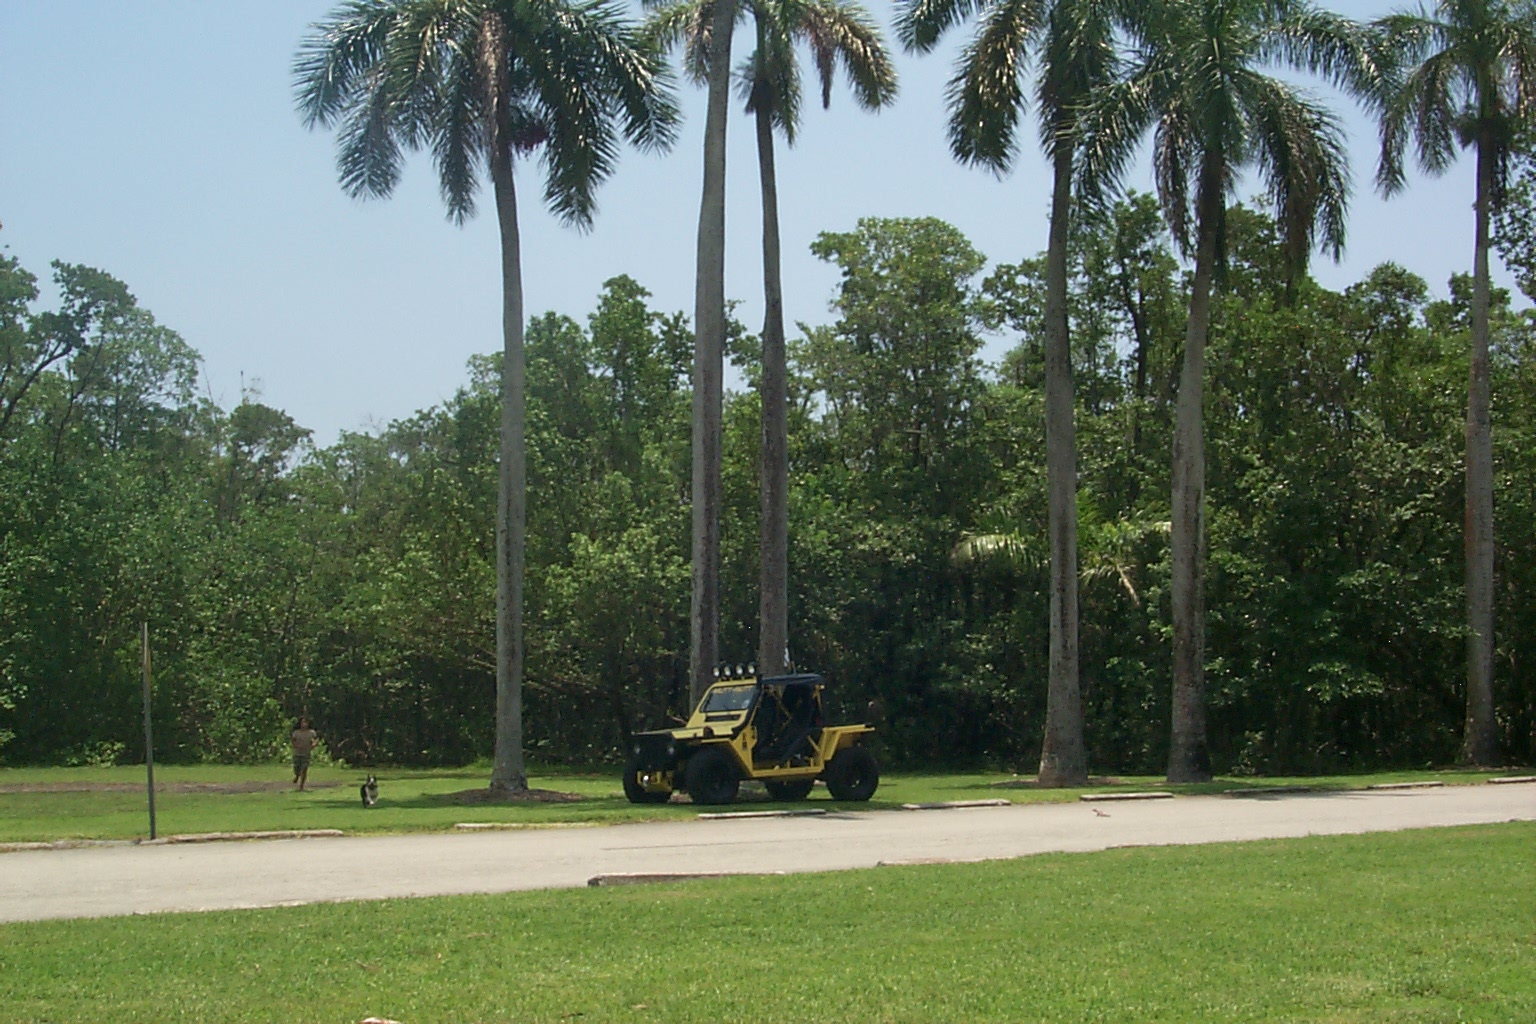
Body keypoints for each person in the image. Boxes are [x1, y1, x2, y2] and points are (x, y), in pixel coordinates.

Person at [290, 717, 318, 791]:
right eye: (303, 722)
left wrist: (314, 744)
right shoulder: (296, 733)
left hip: (306, 753)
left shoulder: (311, 732)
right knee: (296, 768)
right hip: (297, 753)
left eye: (306, 722)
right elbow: (293, 740)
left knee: (304, 769)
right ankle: (297, 775)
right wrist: (295, 746)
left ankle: (301, 786)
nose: (305, 724)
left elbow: (316, 739)